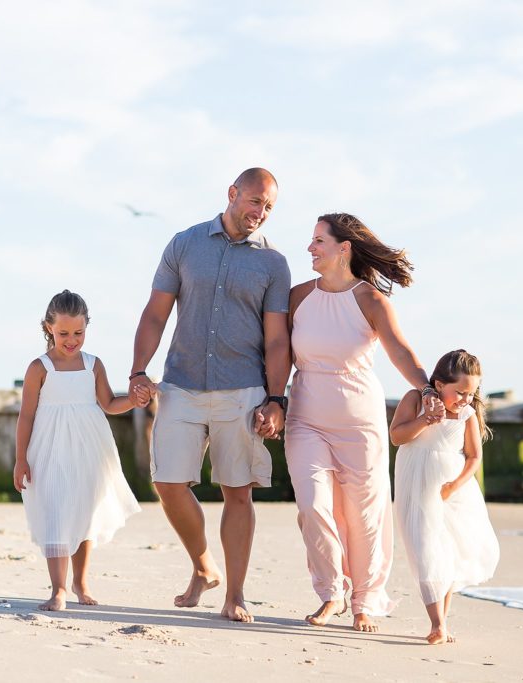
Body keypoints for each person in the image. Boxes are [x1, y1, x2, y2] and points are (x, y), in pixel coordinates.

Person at [128, 168, 291, 623]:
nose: (260, 212)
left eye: (269, 207)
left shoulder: (274, 264)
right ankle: (203, 566)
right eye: (255, 200)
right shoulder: (185, 243)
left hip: (243, 389)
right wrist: (139, 370)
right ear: (233, 193)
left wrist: (276, 399)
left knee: (237, 492)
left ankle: (235, 594)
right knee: (167, 482)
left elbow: (278, 340)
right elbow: (156, 313)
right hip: (181, 383)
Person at [285, 212, 438, 633]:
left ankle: (365, 601)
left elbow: (400, 352)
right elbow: (277, 353)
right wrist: (272, 401)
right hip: (306, 416)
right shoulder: (297, 297)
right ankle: (331, 592)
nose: (310, 248)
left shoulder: (370, 300)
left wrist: (426, 390)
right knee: (313, 505)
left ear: (343, 248)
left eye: (318, 240)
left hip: (359, 420)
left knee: (364, 514)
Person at [14, 290, 141, 611]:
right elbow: (26, 415)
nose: (71, 340)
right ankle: (58, 589)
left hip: (90, 446)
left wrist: (135, 400)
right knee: (56, 511)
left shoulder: (93, 364)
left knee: (84, 512)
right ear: (48, 328)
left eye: (78, 333)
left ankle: (80, 582)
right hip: (49, 447)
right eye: (63, 333)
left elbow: (110, 404)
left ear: (87, 328)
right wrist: (20, 459)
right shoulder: (39, 367)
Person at [390, 349, 500, 644]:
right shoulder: (415, 400)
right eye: (461, 392)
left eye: (471, 393)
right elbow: (397, 436)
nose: (465, 399)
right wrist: (426, 420)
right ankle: (436, 622)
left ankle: (441, 624)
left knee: (447, 553)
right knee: (424, 547)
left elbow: (474, 457)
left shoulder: (466, 415)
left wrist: (455, 486)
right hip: (416, 484)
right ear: (439, 384)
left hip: (452, 491)